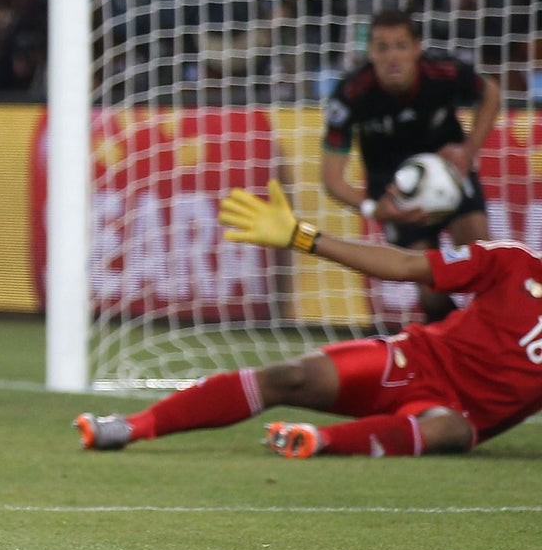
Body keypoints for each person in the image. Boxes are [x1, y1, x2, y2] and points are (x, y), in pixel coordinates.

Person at [76, 179, 542, 459]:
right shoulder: (512, 262)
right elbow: (405, 267)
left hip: (457, 416)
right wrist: (303, 237)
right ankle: (133, 426)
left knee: (450, 430)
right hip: (411, 360)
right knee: (290, 375)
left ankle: (318, 441)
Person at [321, 8, 500, 321]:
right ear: (370, 52)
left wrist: (469, 149)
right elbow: (331, 179)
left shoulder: (442, 71)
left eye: (401, 46)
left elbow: (491, 93)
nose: (392, 57)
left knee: (481, 256)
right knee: (431, 295)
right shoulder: (351, 94)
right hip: (394, 191)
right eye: (382, 47)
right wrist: (373, 208)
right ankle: (453, 340)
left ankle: (501, 339)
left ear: (417, 48)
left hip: (449, 173)